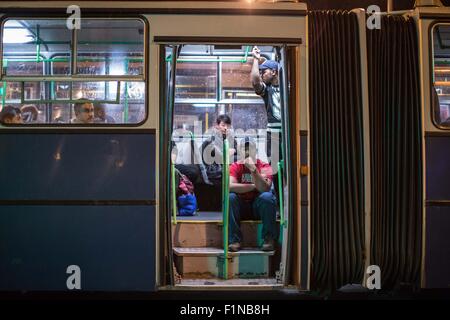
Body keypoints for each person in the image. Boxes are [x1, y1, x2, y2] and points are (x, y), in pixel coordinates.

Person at [228, 137, 277, 252]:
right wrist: (255, 186)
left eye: (250, 148)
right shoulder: (235, 166)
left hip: (258, 207)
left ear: (255, 150)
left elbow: (265, 188)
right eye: (243, 148)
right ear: (239, 151)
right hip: (241, 207)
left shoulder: (265, 166)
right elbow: (230, 187)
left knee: (267, 197)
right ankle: (234, 240)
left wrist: (254, 170)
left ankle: (268, 239)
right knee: (230, 198)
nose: (247, 152)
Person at [250, 46, 282, 163]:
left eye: (264, 72)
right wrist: (255, 59)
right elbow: (255, 82)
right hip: (272, 133)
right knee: (274, 166)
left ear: (273, 72)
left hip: (287, 131)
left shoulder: (288, 88)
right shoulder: (267, 89)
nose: (261, 74)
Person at [201, 114, 235, 185]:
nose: (226, 128)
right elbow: (221, 158)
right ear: (216, 126)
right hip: (213, 171)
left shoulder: (229, 138)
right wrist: (228, 152)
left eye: (228, 126)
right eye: (223, 125)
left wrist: (233, 150)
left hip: (223, 167)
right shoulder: (210, 140)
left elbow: (237, 150)